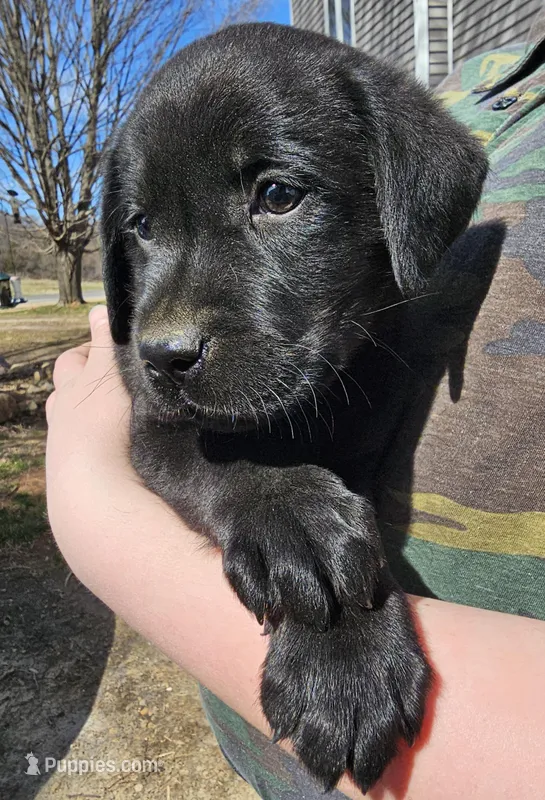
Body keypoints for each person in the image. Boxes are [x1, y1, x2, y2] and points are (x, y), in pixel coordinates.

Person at [46, 5, 545, 798]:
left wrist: (90, 504)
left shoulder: (400, 133)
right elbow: (161, 437)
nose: (168, 325)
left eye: (275, 194)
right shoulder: (492, 82)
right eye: (144, 225)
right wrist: (257, 491)